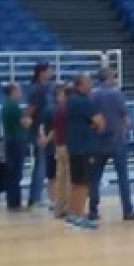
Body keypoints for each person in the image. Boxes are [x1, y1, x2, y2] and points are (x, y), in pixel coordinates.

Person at [89, 68, 134, 221]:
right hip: (116, 138)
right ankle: (127, 210)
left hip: (98, 139)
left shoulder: (92, 94)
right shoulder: (116, 94)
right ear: (109, 77)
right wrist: (124, 132)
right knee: (123, 177)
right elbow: (125, 117)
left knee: (95, 177)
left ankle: (92, 210)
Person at [64, 72, 106, 230]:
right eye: (89, 82)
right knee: (84, 184)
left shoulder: (70, 100)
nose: (91, 85)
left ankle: (72, 215)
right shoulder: (84, 102)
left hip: (73, 146)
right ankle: (80, 216)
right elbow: (101, 123)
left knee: (76, 183)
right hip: (85, 147)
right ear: (81, 84)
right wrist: (94, 126)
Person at [24, 62, 54, 209]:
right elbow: (30, 111)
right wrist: (35, 130)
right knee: (40, 165)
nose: (51, 72)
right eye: (49, 70)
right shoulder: (38, 89)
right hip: (40, 131)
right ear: (42, 72)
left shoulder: (45, 88)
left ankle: (37, 197)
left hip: (45, 130)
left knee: (43, 164)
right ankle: (35, 198)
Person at [0, 82, 29, 211]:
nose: (20, 93)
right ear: (13, 91)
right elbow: (25, 123)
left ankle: (12, 201)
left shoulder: (6, 105)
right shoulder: (14, 106)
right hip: (16, 141)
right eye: (18, 90)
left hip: (9, 140)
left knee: (12, 172)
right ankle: (14, 203)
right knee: (16, 173)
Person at [49, 83, 70, 218]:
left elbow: (55, 131)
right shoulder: (67, 109)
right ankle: (68, 208)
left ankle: (59, 208)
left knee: (61, 179)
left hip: (59, 146)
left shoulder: (57, 109)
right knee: (69, 179)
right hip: (68, 146)